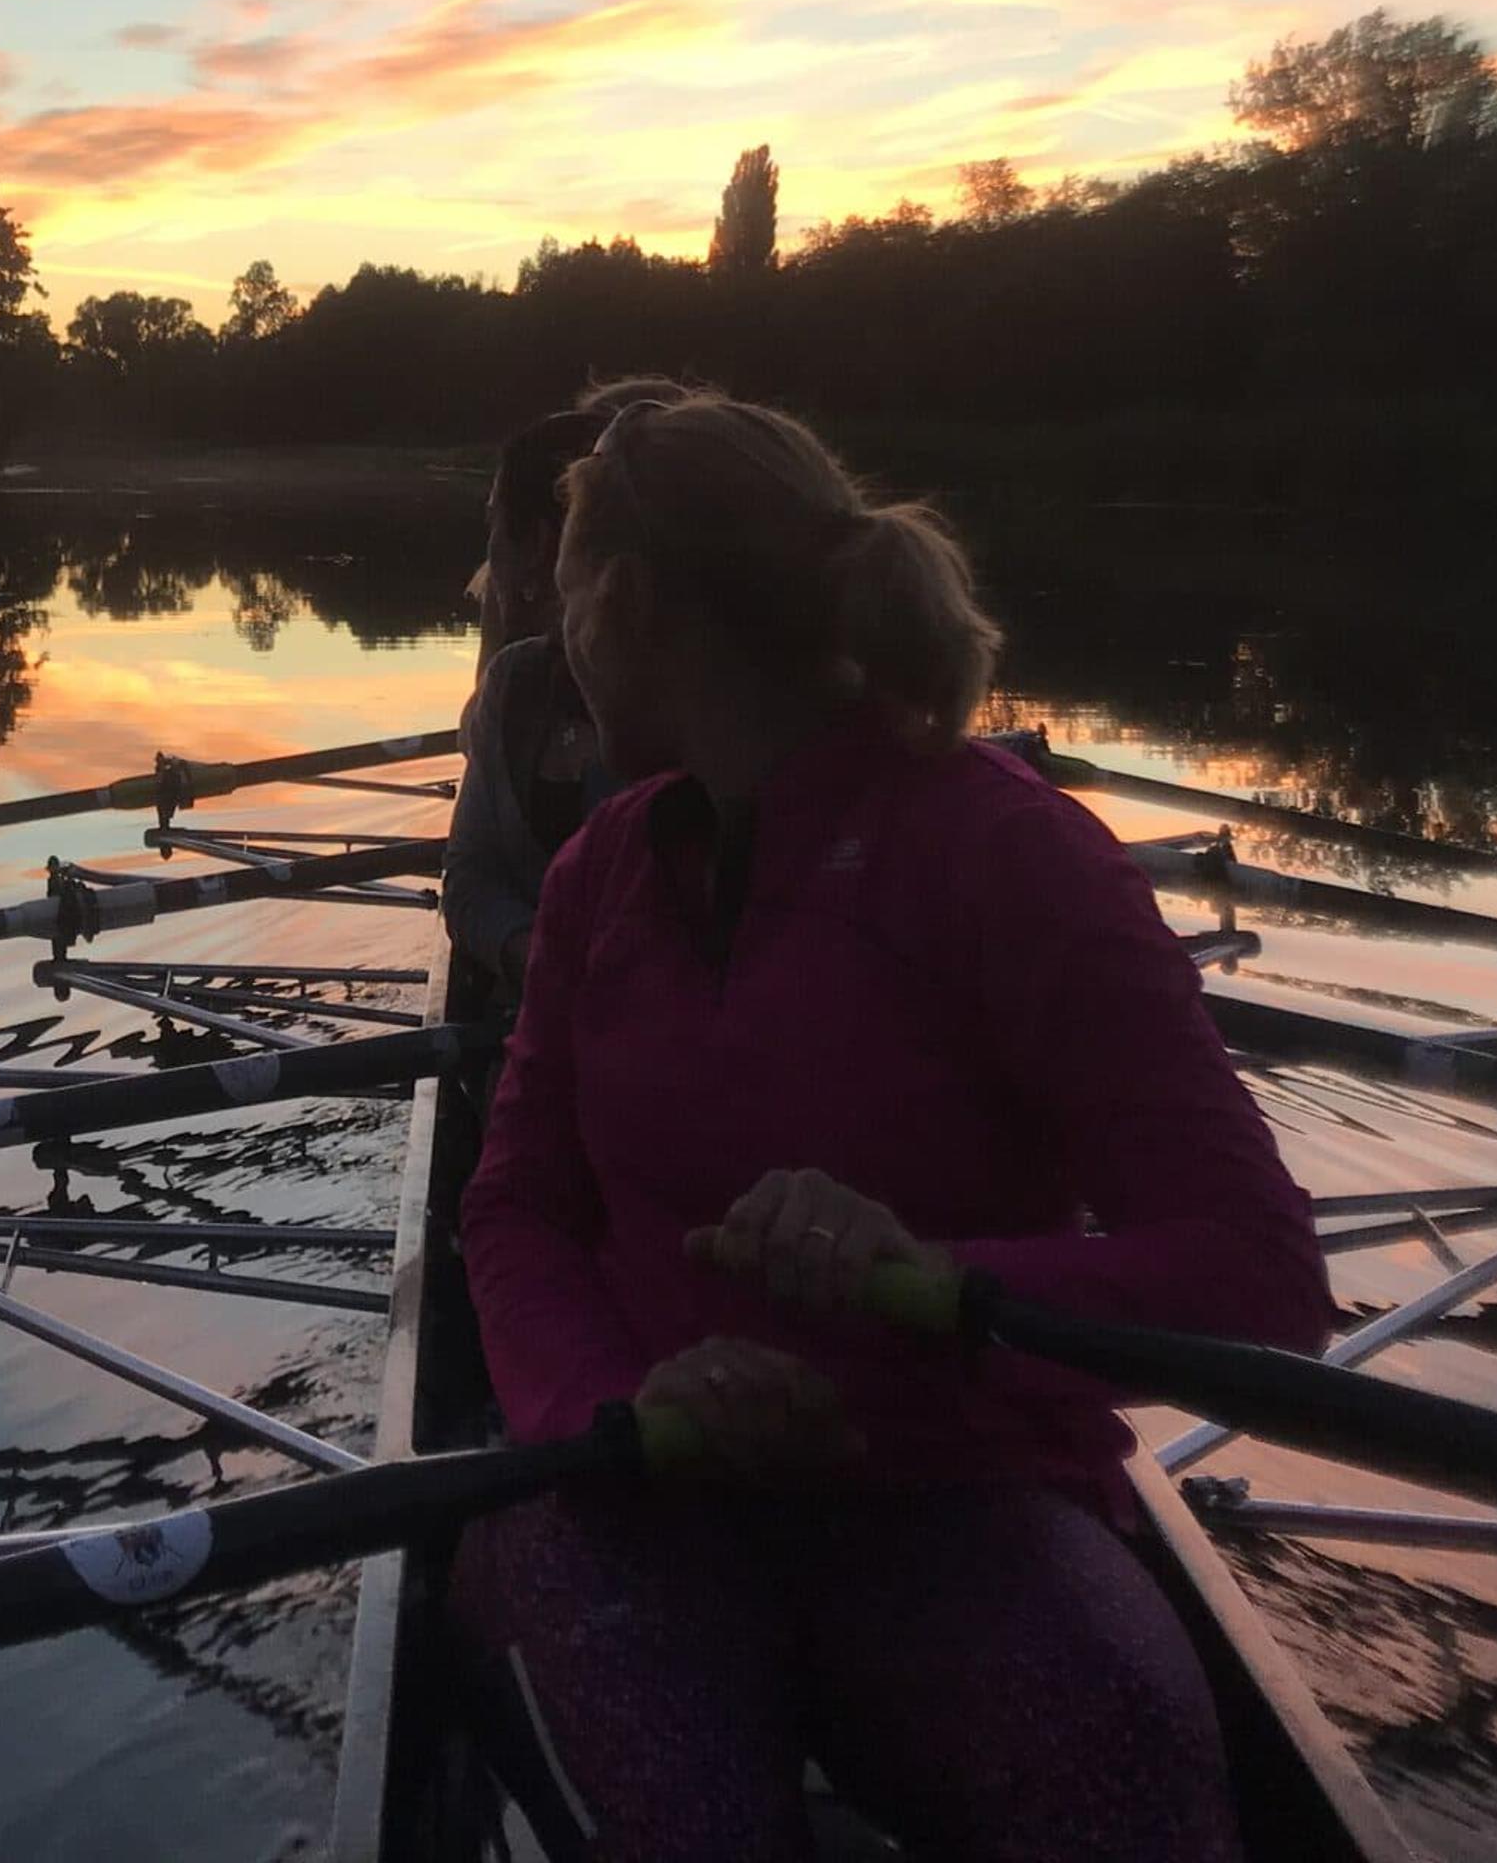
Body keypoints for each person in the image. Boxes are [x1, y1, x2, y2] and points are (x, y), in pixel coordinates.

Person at [452, 390, 1332, 1863]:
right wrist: (620, 1408)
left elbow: (1259, 1279)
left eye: (564, 591)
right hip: (639, 1483)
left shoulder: (1016, 854)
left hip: (958, 1495)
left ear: (625, 597)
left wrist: (938, 1281)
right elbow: (516, 1209)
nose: (551, 635)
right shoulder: (607, 865)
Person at [441, 382, 673, 996]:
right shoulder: (515, 682)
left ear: (544, 543)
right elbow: (466, 880)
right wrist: (533, 958)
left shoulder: (689, 699)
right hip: (539, 1002)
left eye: (493, 517)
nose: (487, 541)